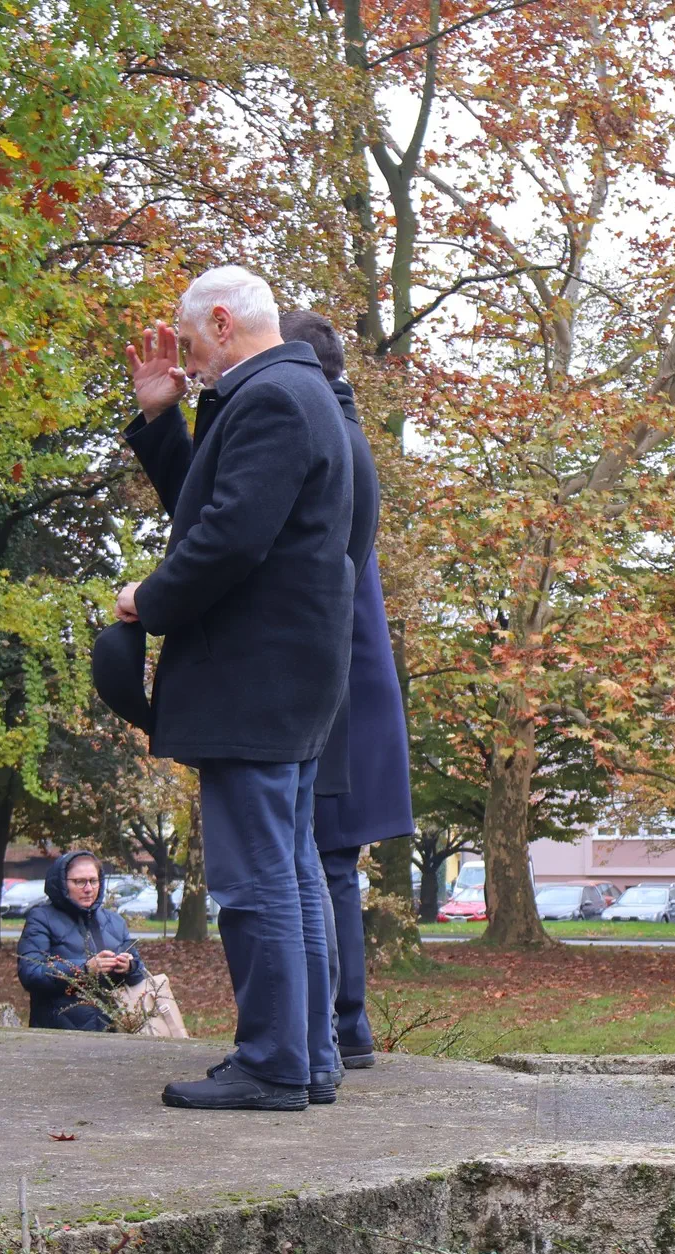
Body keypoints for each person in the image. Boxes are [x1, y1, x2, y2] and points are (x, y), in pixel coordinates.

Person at [117, 265, 354, 1111]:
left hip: (258, 676)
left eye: (190, 345)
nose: (189, 362)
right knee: (290, 873)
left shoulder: (273, 399)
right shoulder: (293, 390)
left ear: (222, 322)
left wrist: (146, 599)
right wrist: (161, 418)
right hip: (288, 677)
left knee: (257, 882)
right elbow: (213, 505)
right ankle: (308, 1056)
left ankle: (274, 1062)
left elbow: (224, 541)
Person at [276, 310, 416, 1072]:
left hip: (336, 695)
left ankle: (340, 1025)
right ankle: (343, 1024)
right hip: (356, 690)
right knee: (331, 863)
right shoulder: (346, 436)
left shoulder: (322, 444)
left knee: (325, 862)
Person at [16, 851, 148, 1030]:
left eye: (93, 881)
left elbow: (139, 974)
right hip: (59, 1033)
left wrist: (129, 967)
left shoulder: (114, 921)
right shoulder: (41, 918)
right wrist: (84, 969)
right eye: (79, 882)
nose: (88, 888)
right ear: (61, 883)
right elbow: (30, 973)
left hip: (114, 1030)